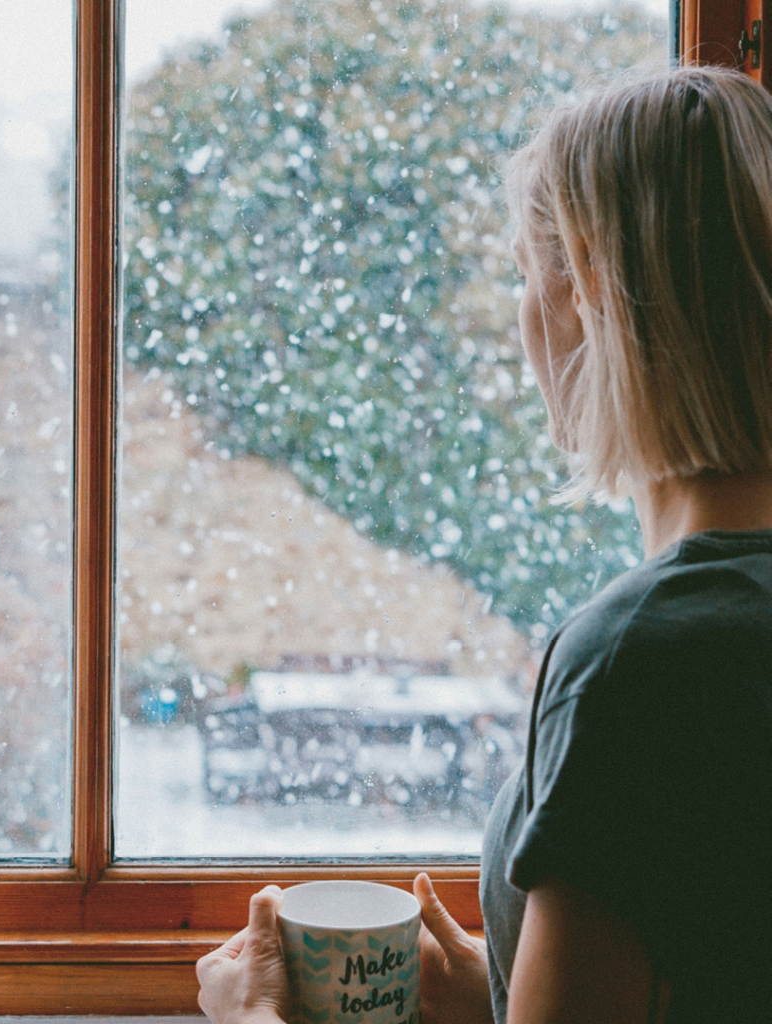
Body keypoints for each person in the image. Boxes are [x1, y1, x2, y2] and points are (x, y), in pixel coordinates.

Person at [195, 65, 772, 1023]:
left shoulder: (645, 656)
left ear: (588, 282)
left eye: (522, 271)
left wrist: (252, 1015)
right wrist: (498, 995)